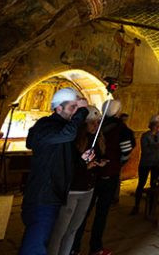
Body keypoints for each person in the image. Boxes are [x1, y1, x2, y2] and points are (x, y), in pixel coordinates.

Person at [19, 88, 89, 255]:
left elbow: (65, 160)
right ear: (58, 108)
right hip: (42, 196)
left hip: (52, 194)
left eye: (76, 108)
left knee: (40, 240)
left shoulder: (61, 130)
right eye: (73, 107)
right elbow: (69, 133)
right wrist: (83, 110)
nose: (75, 112)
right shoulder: (46, 126)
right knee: (35, 246)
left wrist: (82, 159)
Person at [72, 99, 135, 255]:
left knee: (82, 214)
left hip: (92, 177)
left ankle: (75, 247)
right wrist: (116, 165)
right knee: (100, 213)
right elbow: (126, 151)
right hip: (103, 176)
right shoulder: (121, 129)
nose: (95, 125)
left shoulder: (99, 128)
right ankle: (94, 247)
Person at [47, 106, 107, 255]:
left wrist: (98, 163)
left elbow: (94, 157)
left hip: (88, 189)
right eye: (92, 123)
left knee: (73, 229)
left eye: (98, 122)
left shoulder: (96, 140)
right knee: (59, 231)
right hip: (72, 190)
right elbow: (66, 166)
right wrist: (84, 165)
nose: (96, 126)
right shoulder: (71, 141)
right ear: (83, 124)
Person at [131, 114, 159, 215]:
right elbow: (145, 150)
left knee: (154, 184)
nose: (157, 127)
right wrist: (157, 146)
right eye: (156, 125)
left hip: (157, 163)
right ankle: (136, 206)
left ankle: (152, 207)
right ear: (151, 125)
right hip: (146, 163)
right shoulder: (145, 136)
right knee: (141, 183)